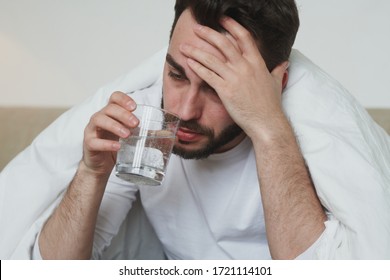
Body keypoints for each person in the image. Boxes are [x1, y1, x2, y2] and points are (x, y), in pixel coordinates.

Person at [2, 0, 390, 260]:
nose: (183, 110)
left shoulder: (313, 133)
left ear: (277, 82)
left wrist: (270, 129)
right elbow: (51, 269)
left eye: (217, 87)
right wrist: (91, 174)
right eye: (176, 74)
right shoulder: (148, 118)